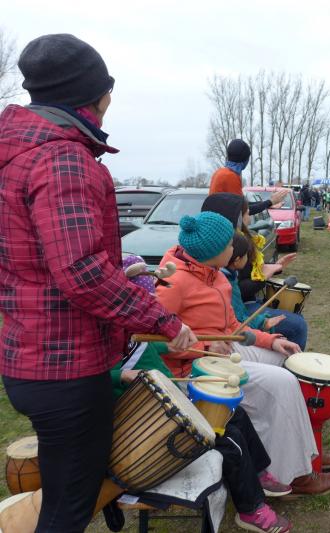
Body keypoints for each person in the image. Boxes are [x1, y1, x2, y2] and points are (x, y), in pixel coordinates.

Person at [0, 33, 197, 532]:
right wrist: (164, 320)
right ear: (97, 95)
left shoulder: (18, 154)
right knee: (67, 511)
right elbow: (82, 272)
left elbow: (42, 262)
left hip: (30, 355)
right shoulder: (62, 158)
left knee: (66, 496)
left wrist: (120, 275)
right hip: (65, 367)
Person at [157, 212, 330, 494]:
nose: (235, 248)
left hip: (223, 354)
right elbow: (153, 342)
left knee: (287, 360)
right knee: (282, 382)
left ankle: (302, 453)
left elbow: (233, 326)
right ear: (214, 251)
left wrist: (270, 341)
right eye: (230, 244)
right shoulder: (174, 282)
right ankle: (292, 474)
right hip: (193, 371)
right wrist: (204, 348)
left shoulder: (216, 276)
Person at [117, 256, 292, 532]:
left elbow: (151, 346)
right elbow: (97, 375)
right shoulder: (106, 337)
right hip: (147, 418)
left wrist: (180, 345)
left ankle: (258, 472)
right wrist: (122, 375)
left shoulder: (133, 331)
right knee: (227, 437)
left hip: (168, 401)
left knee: (234, 413)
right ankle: (250, 509)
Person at [202, 193, 308, 350]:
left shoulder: (239, 239)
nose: (250, 217)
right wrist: (264, 276)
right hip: (242, 308)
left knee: (297, 319)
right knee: (298, 325)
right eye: (246, 213)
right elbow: (237, 290)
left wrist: (275, 267)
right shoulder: (228, 248)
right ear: (236, 218)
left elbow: (248, 272)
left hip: (245, 306)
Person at [209, 139, 289, 215]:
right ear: (245, 160)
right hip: (223, 224)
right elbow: (244, 210)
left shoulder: (219, 172)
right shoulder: (231, 176)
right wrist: (270, 202)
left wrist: (268, 203)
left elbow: (242, 204)